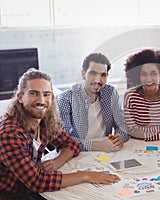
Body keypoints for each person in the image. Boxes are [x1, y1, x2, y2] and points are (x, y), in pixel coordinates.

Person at [0, 68, 120, 200]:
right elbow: (37, 181)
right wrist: (84, 175)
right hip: (13, 195)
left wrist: (57, 161)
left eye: (46, 94)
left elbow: (72, 144)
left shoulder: (44, 121)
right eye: (34, 94)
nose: (41, 100)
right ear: (21, 97)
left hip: (30, 190)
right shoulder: (9, 133)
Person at [57, 53, 129, 152]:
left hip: (106, 151)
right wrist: (96, 145)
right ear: (83, 73)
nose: (97, 80)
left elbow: (122, 125)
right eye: (93, 73)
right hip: (76, 153)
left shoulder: (111, 93)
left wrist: (119, 138)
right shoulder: (66, 98)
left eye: (103, 75)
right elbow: (63, 139)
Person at [124, 49, 160, 141]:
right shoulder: (130, 96)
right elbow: (132, 131)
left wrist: (145, 133)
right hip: (138, 145)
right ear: (138, 76)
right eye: (143, 74)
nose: (148, 79)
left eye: (153, 74)